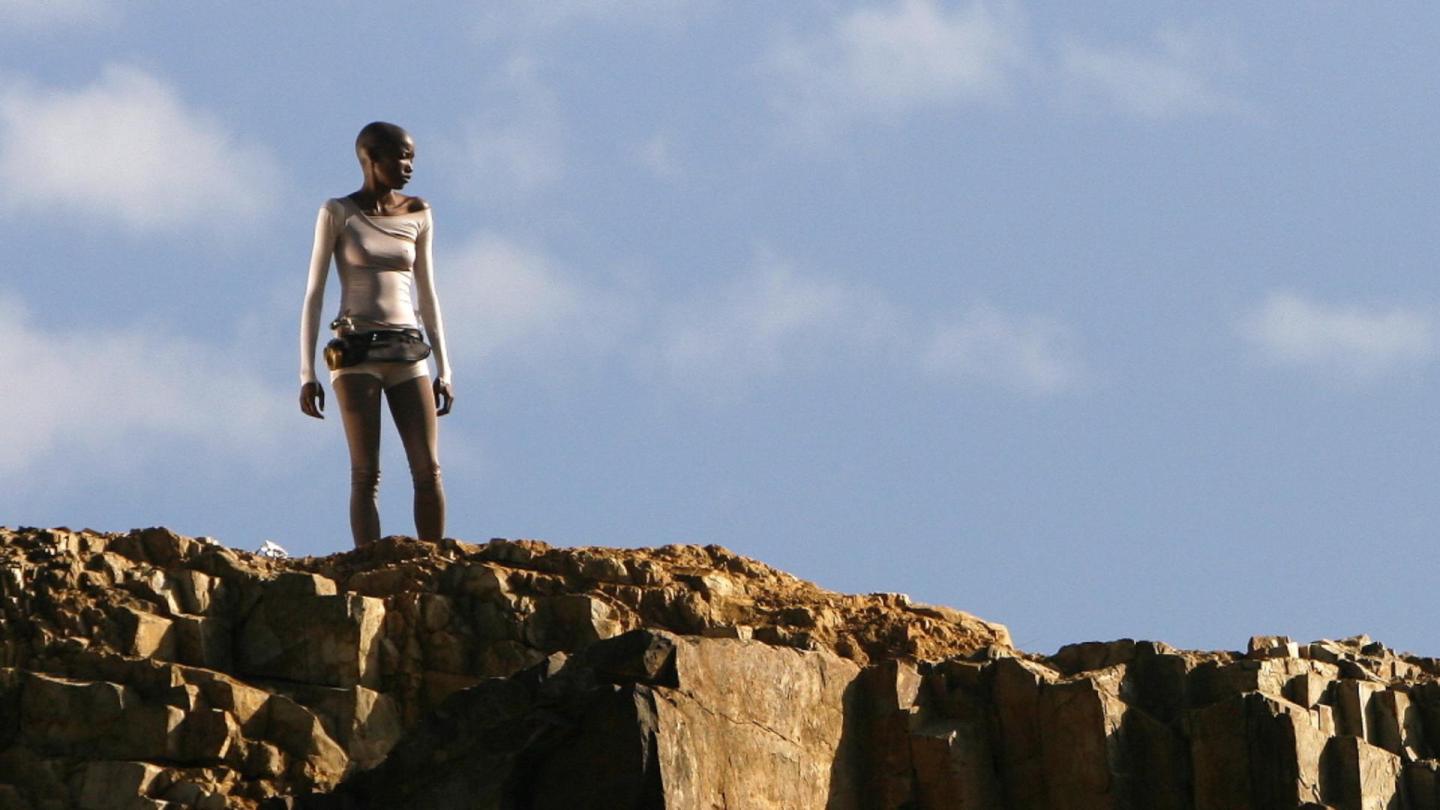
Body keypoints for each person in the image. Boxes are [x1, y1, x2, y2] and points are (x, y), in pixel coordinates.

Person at [298, 121, 454, 547]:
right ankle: (368, 561)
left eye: (412, 157)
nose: (407, 166)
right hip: (356, 350)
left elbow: (428, 292)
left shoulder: (418, 212)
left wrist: (445, 367)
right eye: (399, 156)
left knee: (428, 468)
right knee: (366, 471)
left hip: (408, 347)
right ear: (370, 158)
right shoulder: (338, 212)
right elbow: (315, 293)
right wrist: (306, 374)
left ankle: (433, 558)